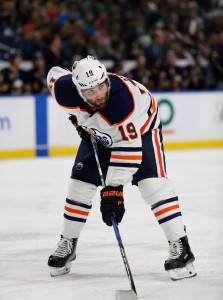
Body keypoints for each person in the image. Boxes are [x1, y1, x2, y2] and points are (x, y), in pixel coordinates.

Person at [46, 55, 197, 280]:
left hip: (142, 130)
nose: (99, 95)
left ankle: (181, 247)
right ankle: (68, 242)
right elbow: (54, 74)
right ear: (78, 90)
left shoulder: (124, 103)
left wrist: (113, 190)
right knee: (79, 184)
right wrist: (78, 119)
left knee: (152, 185)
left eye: (101, 86)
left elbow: (129, 153)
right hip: (100, 133)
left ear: (107, 79)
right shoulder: (64, 90)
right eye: (90, 92)